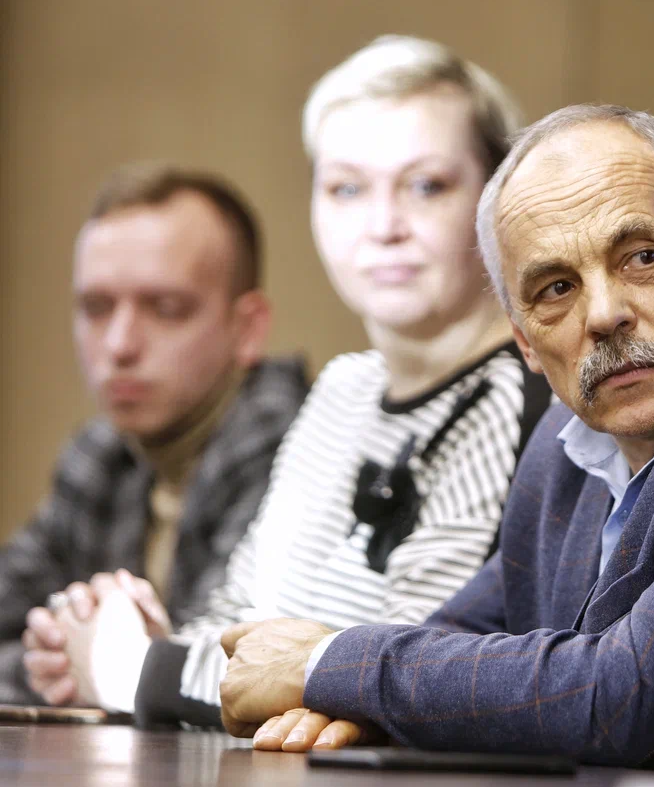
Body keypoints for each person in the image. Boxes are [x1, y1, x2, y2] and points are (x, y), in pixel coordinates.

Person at [218, 103, 654, 774]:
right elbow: (468, 633)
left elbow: (628, 694)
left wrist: (328, 664)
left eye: (643, 257)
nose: (604, 314)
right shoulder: (571, 436)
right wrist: (351, 705)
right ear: (526, 341)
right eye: (556, 288)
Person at [18, 36, 554, 726]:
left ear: (496, 199)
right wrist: (147, 647)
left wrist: (130, 668)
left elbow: (395, 674)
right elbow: (238, 616)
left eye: (426, 186)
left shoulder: (521, 394)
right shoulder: (341, 389)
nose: (383, 226)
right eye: (346, 188)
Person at [3, 164, 309, 705]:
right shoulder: (101, 454)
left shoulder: (293, 445)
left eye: (166, 309)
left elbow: (221, 669)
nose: (119, 344)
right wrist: (51, 661)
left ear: (247, 328)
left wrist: (85, 664)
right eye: (96, 308)